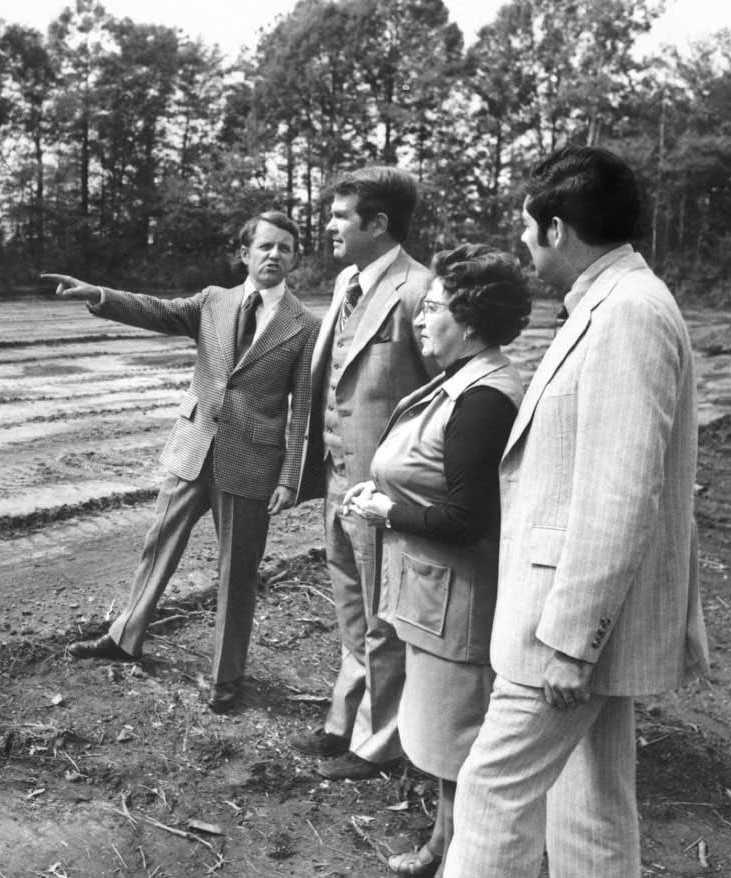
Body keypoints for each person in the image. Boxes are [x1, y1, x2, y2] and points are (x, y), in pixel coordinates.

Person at [443, 146, 710, 878]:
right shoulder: (617, 302)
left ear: (558, 229)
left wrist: (572, 642)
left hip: (566, 625)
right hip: (582, 619)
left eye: (529, 231)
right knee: (589, 804)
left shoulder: (628, 313)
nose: (524, 249)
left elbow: (622, 491)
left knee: (491, 793)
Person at [42, 210, 319, 714]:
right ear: (245, 253)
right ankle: (125, 637)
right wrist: (98, 295)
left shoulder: (305, 325)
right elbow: (157, 310)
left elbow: (302, 408)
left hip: (252, 463)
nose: (274, 255)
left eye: (284, 247)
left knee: (238, 573)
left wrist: (290, 477)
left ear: (295, 258)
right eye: (265, 246)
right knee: (157, 547)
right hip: (192, 449)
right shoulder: (213, 301)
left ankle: (224, 676)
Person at [343, 245, 531, 877]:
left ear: (471, 321)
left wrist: (384, 512)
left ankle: (459, 856)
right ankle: (446, 848)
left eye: (431, 308)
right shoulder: (462, 381)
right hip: (436, 599)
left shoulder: (484, 398)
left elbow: (466, 518)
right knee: (449, 742)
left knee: (463, 744)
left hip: (460, 604)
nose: (420, 319)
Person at [289, 167, 436, 780]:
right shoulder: (348, 280)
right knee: (351, 607)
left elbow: (438, 392)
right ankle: (342, 719)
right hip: (335, 480)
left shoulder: (419, 290)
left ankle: (379, 745)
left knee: (384, 617)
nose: (328, 225)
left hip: (385, 491)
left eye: (341, 216)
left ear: (378, 224)